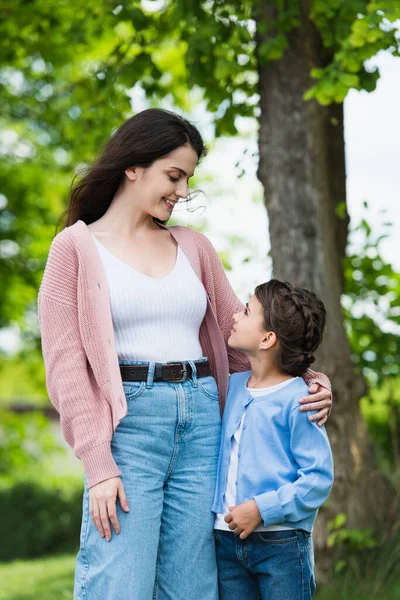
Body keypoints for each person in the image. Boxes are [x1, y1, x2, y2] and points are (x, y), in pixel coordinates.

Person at [37, 108, 333, 600]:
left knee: (193, 586)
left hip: (202, 426)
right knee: (120, 581)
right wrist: (98, 465)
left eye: (187, 179)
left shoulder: (195, 248)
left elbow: (243, 343)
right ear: (134, 166)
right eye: (173, 176)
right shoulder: (74, 249)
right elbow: (67, 369)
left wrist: (305, 380)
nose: (181, 191)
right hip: (129, 426)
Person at [212, 279, 334, 600]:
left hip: (280, 544)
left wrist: (261, 509)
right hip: (226, 540)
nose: (235, 316)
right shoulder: (232, 387)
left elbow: (318, 479)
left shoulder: (300, 399)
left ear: (267, 339)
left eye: (247, 311)